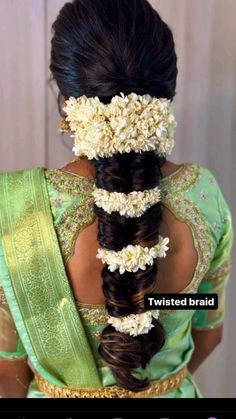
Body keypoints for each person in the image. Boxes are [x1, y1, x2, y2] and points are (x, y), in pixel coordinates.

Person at [0, 0, 233, 398]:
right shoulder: (205, 196)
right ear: (164, 97)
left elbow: (8, 371)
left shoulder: (14, 209)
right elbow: (208, 331)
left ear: (66, 100)